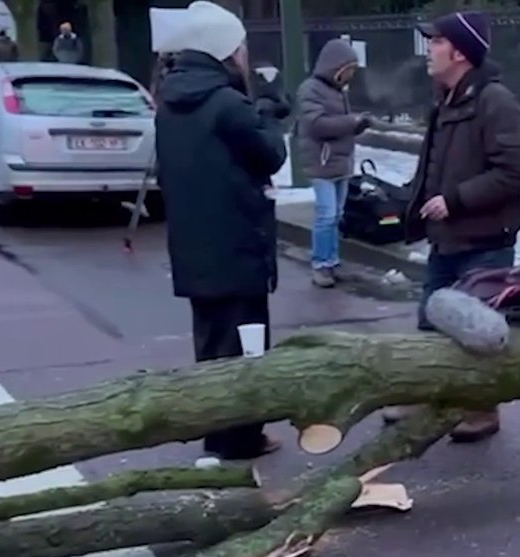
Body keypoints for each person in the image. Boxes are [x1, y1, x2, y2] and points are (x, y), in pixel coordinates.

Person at [380, 10, 520, 443]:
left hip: (484, 239)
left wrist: (456, 200)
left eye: (436, 42)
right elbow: (435, 164)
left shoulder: (494, 101)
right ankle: (425, 393)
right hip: (446, 237)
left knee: (476, 333)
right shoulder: (445, 98)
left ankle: (482, 410)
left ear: (460, 52)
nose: (429, 50)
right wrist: (410, 201)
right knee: (430, 320)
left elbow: (513, 173)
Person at [154, 0, 288, 460]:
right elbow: (270, 155)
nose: (246, 56)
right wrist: (267, 110)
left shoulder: (169, 103)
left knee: (212, 346)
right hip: (238, 246)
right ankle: (241, 438)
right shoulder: (227, 104)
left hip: (194, 249)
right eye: (241, 48)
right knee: (248, 348)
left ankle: (218, 434)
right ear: (224, 51)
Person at [293, 39, 371, 288]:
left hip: (339, 162)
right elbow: (316, 125)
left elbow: (340, 124)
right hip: (322, 162)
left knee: (336, 214)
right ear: (336, 67)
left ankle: (332, 261)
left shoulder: (337, 90)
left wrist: (357, 124)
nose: (351, 75)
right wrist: (352, 122)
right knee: (326, 214)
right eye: (349, 69)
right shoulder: (310, 89)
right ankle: (320, 264)